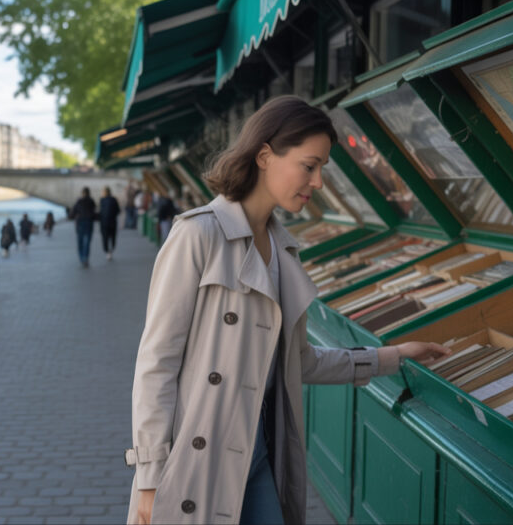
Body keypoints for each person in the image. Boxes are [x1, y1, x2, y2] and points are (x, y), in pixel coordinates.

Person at [126, 96, 449, 525]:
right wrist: (149, 477)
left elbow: (300, 362)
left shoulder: (283, 251)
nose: (317, 182)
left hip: (263, 454)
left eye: (322, 170)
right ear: (264, 155)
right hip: (198, 463)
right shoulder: (198, 235)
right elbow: (157, 364)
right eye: (308, 165)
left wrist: (394, 356)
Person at [72, 187, 96, 267]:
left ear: (82, 193)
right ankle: (85, 258)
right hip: (89, 222)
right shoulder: (91, 201)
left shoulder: (79, 201)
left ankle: (82, 258)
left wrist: (70, 217)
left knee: (80, 242)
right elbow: (94, 211)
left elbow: (73, 212)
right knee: (87, 242)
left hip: (81, 223)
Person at [99, 186, 121, 261]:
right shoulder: (114, 200)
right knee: (112, 237)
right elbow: (118, 211)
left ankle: (107, 251)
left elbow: (101, 212)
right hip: (112, 223)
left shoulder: (102, 200)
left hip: (104, 223)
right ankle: (111, 250)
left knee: (105, 238)